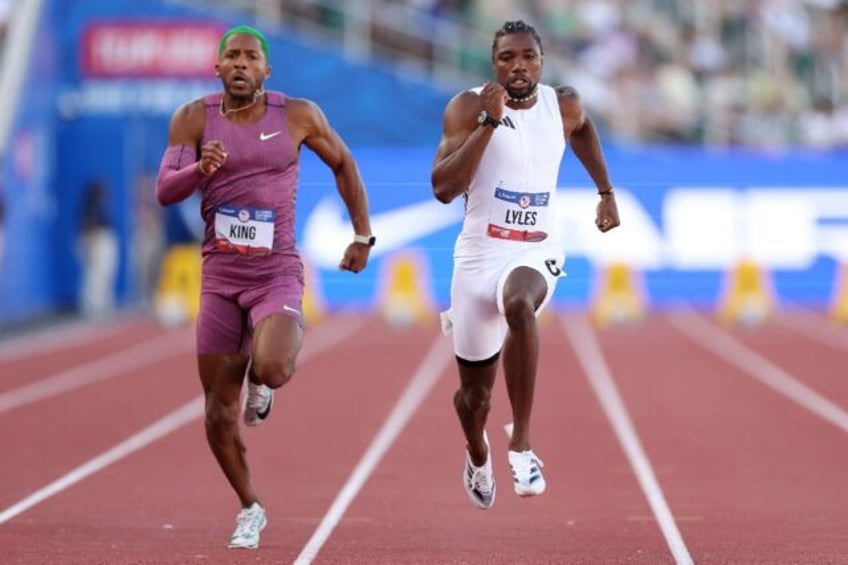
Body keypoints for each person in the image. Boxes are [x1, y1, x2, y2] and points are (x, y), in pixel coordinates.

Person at [154, 25, 374, 549]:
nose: (240, 64)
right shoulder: (192, 118)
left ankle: (261, 382)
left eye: (250, 57)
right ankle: (250, 505)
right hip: (221, 278)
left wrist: (362, 234)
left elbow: (343, 162)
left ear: (265, 70)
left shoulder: (297, 116)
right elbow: (165, 190)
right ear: (217, 67)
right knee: (217, 413)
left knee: (273, 367)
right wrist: (198, 172)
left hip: (274, 271)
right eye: (231, 56)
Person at [430, 19, 619, 509]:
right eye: (507, 58)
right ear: (493, 63)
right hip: (478, 254)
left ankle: (522, 445)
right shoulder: (468, 106)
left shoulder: (565, 104)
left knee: (520, 302)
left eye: (527, 57)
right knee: (474, 400)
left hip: (536, 248)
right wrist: (489, 124)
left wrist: (605, 191)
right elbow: (443, 188)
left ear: (541, 61)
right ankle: (477, 452)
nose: (518, 67)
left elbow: (583, 130)